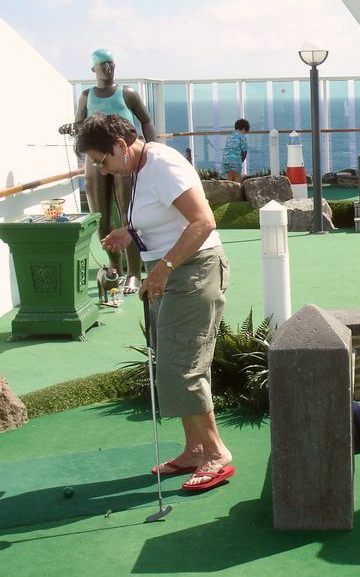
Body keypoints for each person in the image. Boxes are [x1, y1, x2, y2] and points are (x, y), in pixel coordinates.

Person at [74, 113, 234, 491]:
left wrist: (163, 269)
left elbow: (203, 222)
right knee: (171, 363)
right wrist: (131, 231)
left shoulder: (162, 165)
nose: (103, 169)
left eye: (102, 160)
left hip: (193, 271)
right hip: (172, 270)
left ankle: (216, 454)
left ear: (120, 144)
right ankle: (195, 449)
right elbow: (165, 214)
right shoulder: (141, 167)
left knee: (183, 366)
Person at [60, 48, 157, 294]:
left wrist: (153, 149)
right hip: (96, 159)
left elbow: (146, 121)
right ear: (93, 69)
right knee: (100, 215)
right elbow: (80, 126)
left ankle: (134, 272)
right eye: (103, 64)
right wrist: (71, 129)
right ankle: (115, 267)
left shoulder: (128, 93)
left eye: (111, 64)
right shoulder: (86, 96)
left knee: (128, 214)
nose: (109, 68)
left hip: (124, 156)